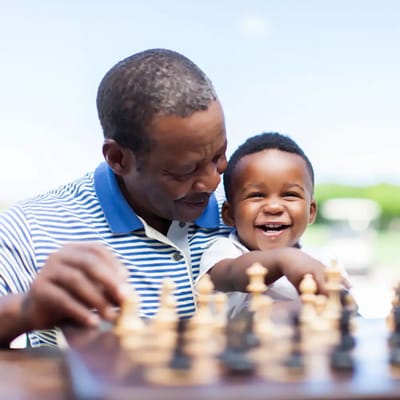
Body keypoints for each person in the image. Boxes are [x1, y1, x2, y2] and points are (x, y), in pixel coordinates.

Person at [0, 49, 329, 348]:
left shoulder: (242, 212)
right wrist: (27, 311)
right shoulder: (30, 229)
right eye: (184, 170)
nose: (212, 181)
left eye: (219, 155)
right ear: (118, 158)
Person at [199, 132, 349, 318]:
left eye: (290, 194)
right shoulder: (224, 251)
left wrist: (344, 304)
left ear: (310, 212)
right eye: (257, 195)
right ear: (229, 214)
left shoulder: (324, 261)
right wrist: (284, 259)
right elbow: (229, 275)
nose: (273, 207)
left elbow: (347, 311)